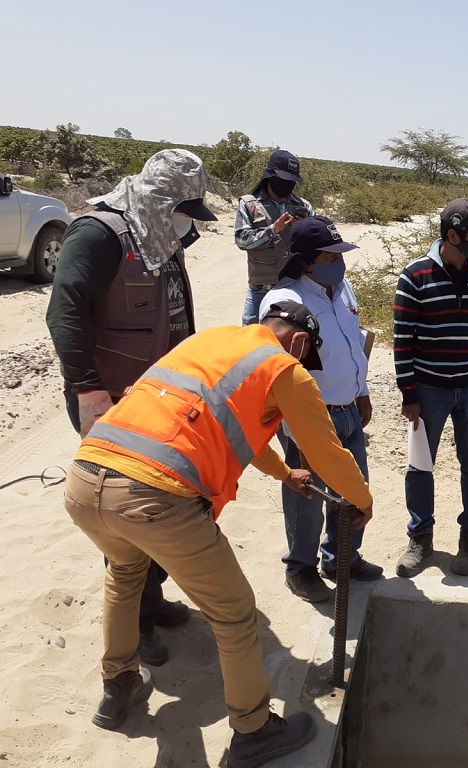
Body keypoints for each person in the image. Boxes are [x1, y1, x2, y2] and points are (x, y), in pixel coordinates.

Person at [65, 300, 373, 767]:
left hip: (86, 480)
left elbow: (229, 432)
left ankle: (118, 685)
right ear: (299, 341)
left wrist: (284, 472)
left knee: (125, 574)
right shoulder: (284, 368)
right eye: (304, 355)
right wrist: (363, 502)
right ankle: (253, 729)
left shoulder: (209, 342)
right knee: (233, 613)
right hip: (154, 496)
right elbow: (327, 451)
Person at [45, 148, 219, 667]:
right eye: (186, 210)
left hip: (160, 400)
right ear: (162, 200)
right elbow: (64, 312)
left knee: (160, 503)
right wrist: (86, 389)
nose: (190, 224)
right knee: (125, 513)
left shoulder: (158, 234)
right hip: (111, 401)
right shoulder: (98, 234)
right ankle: (134, 623)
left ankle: (152, 597)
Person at [260, 216, 383, 602]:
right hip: (311, 415)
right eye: (333, 255)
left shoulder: (341, 288)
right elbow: (280, 370)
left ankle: (341, 556)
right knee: (308, 495)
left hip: (347, 407)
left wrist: (360, 391)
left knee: (351, 486)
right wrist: (294, 429)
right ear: (310, 261)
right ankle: (301, 567)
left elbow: (353, 342)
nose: (340, 261)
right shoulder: (286, 302)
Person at [393, 198, 468, 577]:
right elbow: (403, 339)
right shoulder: (414, 275)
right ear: (453, 235)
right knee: (420, 466)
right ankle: (420, 538)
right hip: (429, 390)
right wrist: (409, 394)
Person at [234, 150, 313, 325]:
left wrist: (305, 228)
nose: (287, 185)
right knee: (251, 340)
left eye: (291, 181)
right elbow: (241, 240)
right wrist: (272, 230)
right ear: (270, 176)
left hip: (297, 287)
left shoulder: (303, 206)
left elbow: (317, 245)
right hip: (260, 290)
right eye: (283, 179)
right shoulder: (250, 204)